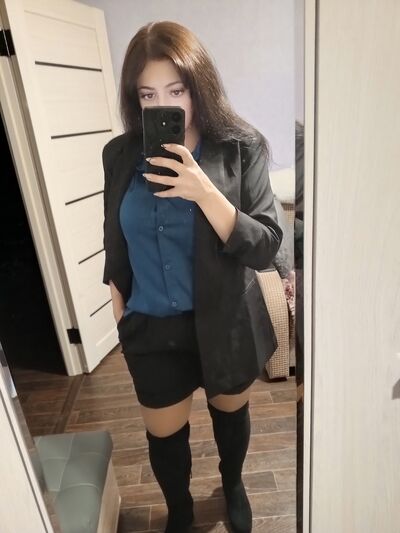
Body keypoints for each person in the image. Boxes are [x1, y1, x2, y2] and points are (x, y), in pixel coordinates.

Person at [102, 21, 282, 533]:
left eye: (176, 90)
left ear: (199, 87)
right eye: (148, 94)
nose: (163, 104)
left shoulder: (241, 147)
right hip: (151, 327)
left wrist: (204, 190)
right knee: (164, 439)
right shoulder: (119, 155)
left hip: (226, 321)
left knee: (231, 419)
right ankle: (179, 510)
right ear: (135, 98)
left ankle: (233, 484)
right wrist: (117, 297)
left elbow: (267, 244)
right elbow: (114, 232)